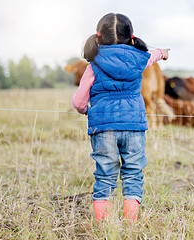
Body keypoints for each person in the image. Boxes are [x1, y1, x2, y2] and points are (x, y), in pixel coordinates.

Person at [71, 13, 170, 223]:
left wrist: (86, 110)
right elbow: (152, 55)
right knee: (133, 173)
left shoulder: (93, 65)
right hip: (134, 126)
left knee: (105, 175)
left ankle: (103, 225)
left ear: (98, 38)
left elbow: (79, 100)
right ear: (131, 38)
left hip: (103, 128)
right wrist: (162, 52)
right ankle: (130, 224)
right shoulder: (139, 60)